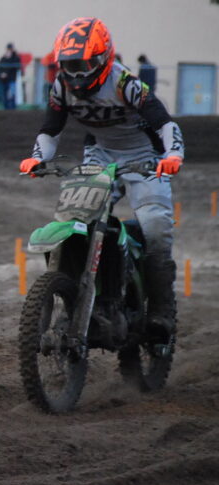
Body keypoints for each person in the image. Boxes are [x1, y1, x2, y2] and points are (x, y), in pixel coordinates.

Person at [19, 17, 185, 343]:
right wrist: (37, 157)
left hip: (144, 156)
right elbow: (51, 129)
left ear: (104, 57)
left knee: (155, 226)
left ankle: (161, 311)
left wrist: (173, 155)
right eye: (70, 65)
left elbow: (165, 123)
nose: (77, 73)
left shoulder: (125, 83)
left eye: (83, 64)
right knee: (76, 219)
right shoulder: (61, 87)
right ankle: (75, 299)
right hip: (100, 154)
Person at [0, 43, 22, 109]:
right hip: (4, 80)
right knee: (4, 94)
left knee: (12, 94)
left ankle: (12, 108)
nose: (9, 50)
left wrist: (10, 58)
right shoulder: (3, 58)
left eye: (10, 49)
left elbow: (16, 67)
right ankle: (6, 108)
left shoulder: (15, 58)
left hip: (12, 79)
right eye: (8, 49)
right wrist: (1, 74)